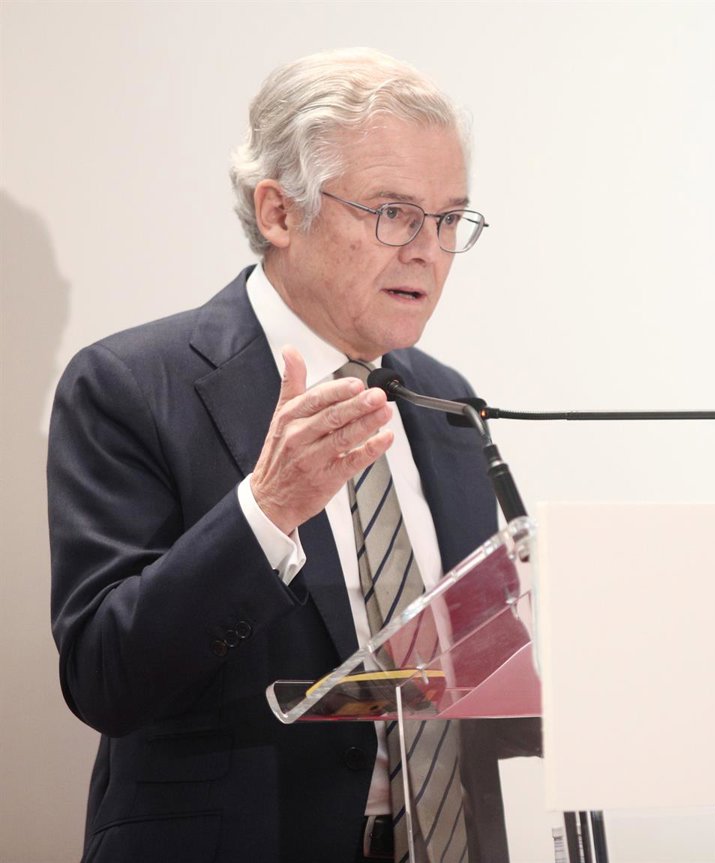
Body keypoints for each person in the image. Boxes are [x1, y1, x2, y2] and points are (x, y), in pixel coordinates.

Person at [48, 48, 535, 863]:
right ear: (279, 211)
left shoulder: (447, 401)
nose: (427, 249)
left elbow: (481, 670)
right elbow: (105, 677)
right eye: (393, 212)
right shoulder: (129, 387)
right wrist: (265, 510)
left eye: (449, 219)